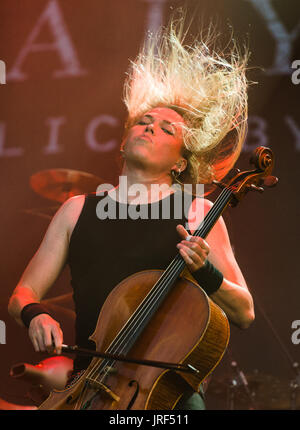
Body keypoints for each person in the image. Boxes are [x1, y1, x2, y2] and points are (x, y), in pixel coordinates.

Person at [8, 15, 255, 410]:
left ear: (179, 164)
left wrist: (206, 272)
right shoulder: (76, 210)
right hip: (88, 385)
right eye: (144, 121)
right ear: (123, 144)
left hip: (164, 394)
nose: (150, 128)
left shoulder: (197, 210)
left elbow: (244, 311)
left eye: (167, 129)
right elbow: (22, 294)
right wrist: (36, 313)